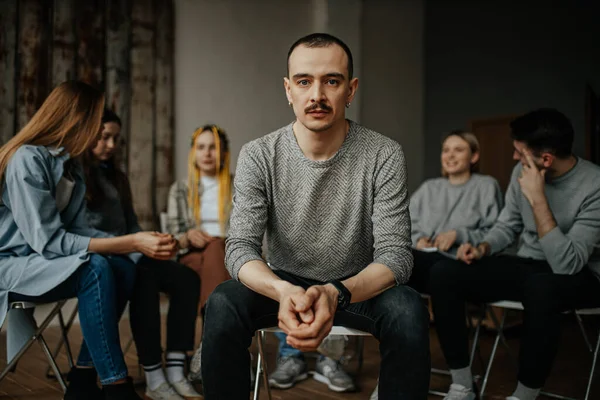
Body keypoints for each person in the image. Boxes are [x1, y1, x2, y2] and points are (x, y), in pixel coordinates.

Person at [200, 33, 430, 400]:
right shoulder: (259, 155)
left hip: (357, 283)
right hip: (285, 282)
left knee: (407, 309)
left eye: (332, 81)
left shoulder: (384, 154)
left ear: (351, 90)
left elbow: (396, 257)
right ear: (288, 90)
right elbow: (240, 248)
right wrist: (283, 290)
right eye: (304, 82)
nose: (317, 95)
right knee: (223, 301)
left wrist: (336, 293)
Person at [0, 81, 178, 400]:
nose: (98, 131)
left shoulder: (71, 166)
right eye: (96, 121)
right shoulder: (27, 159)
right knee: (95, 267)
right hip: (13, 266)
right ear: (75, 120)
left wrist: (137, 243)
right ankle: (116, 386)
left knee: (123, 268)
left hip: (44, 262)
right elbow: (50, 241)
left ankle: (82, 380)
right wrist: (133, 242)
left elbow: (81, 231)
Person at [429, 108, 600, 400]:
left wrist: (538, 198)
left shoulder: (594, 185)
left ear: (545, 160)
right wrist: (483, 247)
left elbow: (566, 264)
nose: (514, 159)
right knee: (445, 272)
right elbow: (507, 226)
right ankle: (462, 385)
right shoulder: (522, 171)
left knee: (542, 286)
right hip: (529, 265)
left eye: (520, 153)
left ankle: (523, 395)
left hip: (580, 274)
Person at [83, 109, 202, 400]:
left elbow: (132, 225)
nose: (111, 145)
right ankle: (153, 375)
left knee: (186, 278)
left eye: (116, 139)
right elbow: (82, 231)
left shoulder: (118, 178)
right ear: (86, 135)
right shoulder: (77, 176)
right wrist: (137, 245)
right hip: (102, 259)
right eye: (104, 137)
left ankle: (175, 369)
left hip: (131, 253)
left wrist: (155, 240)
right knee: (144, 277)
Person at [407, 130, 503, 294]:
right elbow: (402, 222)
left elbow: (496, 233)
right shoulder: (429, 188)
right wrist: (418, 240)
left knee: (436, 270)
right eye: (446, 150)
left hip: (460, 262)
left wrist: (458, 235)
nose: (450, 155)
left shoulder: (486, 186)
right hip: (422, 260)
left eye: (458, 150)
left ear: (474, 157)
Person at [166, 124, 232, 314]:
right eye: (201, 147)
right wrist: (188, 236)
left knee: (214, 248)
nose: (207, 153)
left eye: (213, 147)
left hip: (228, 251)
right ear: (193, 152)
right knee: (203, 259)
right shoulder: (180, 189)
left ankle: (208, 327)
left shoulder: (238, 187)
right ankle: (217, 325)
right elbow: (173, 236)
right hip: (192, 251)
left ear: (224, 152)